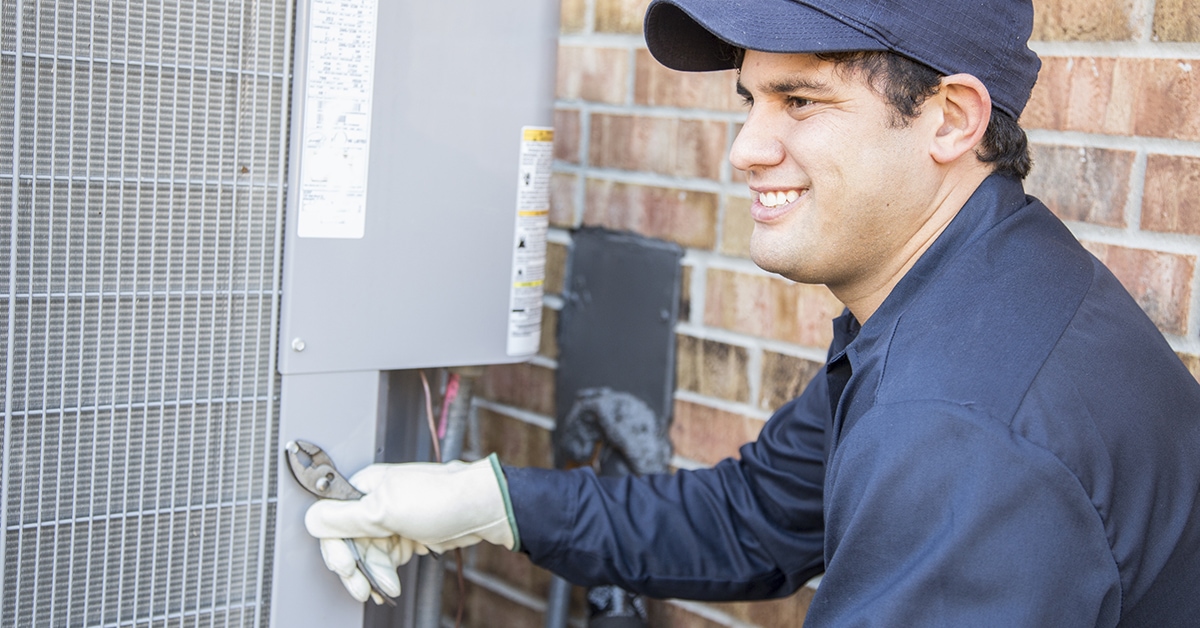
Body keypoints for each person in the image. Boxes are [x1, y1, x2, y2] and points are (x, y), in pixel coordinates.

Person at [305, 0, 1200, 624]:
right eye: (751, 100)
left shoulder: (961, 431)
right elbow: (752, 520)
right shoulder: (972, 287)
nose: (746, 149)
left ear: (951, 119)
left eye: (801, 101)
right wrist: (485, 502)